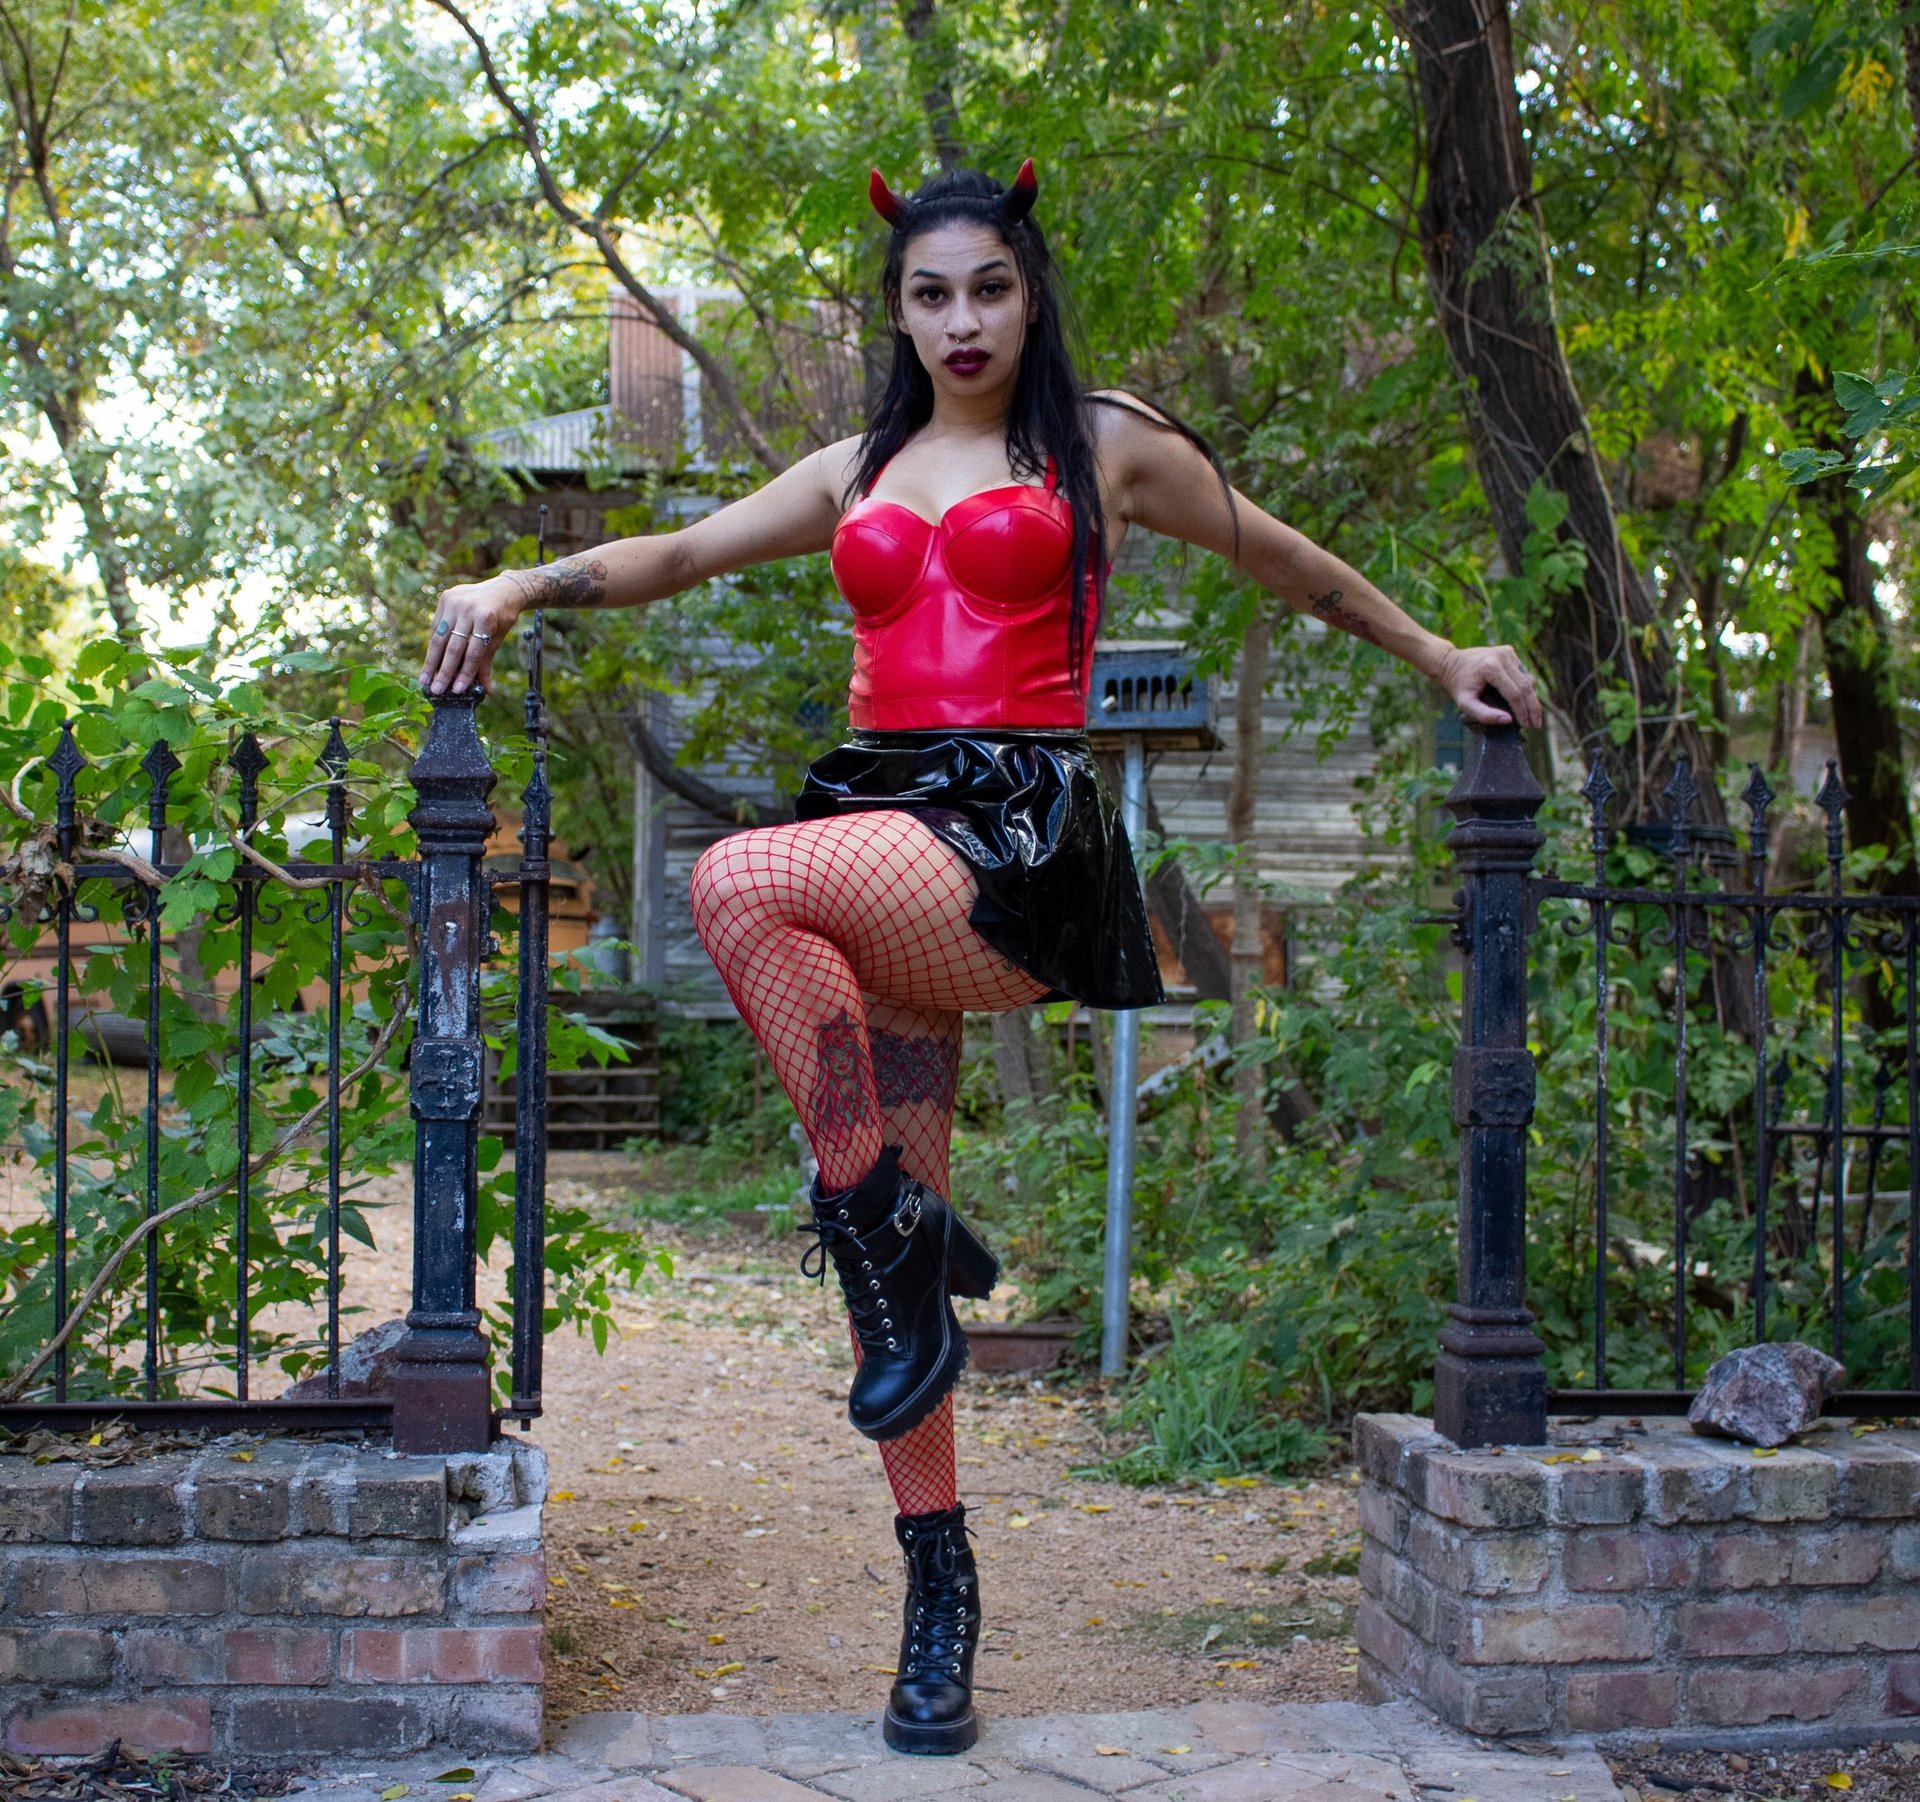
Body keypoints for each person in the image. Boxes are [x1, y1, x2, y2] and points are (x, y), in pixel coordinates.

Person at [424, 158, 1542, 1755]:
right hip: (877, 841)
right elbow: (670, 555)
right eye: (931, 293)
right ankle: (937, 1585)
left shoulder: (1103, 442)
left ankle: (886, 1219)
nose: (963, 320)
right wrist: (516, 583)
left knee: (739, 879)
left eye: (990, 288)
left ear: (1029, 294)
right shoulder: (855, 469)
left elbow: (1284, 559)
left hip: (1014, 841)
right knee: (895, 1342)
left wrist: (1439, 651)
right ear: (898, 311)